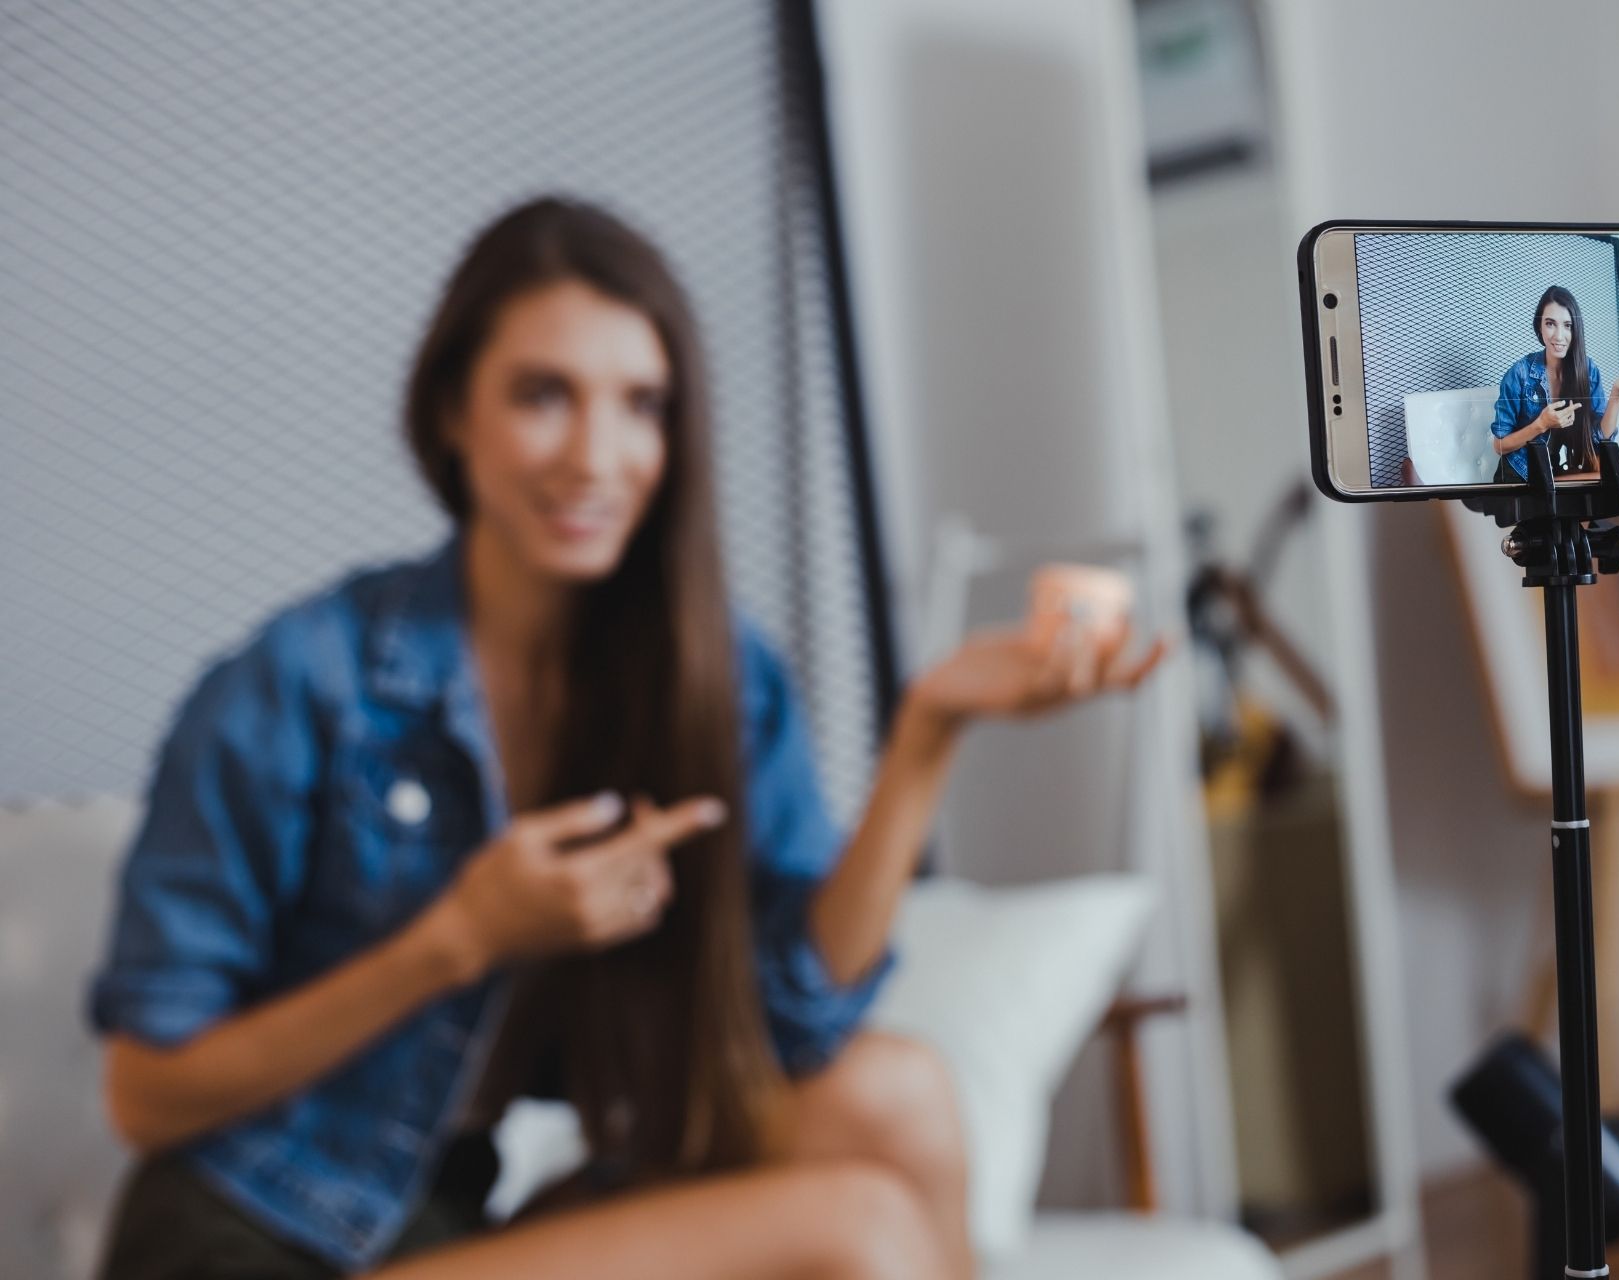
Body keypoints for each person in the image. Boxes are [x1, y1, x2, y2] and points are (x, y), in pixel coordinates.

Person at [88, 197, 1166, 1280]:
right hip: (250, 1235)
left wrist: (930, 731)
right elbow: (145, 1090)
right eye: (544, 395)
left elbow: (801, 1018)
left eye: (642, 404)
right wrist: (458, 935)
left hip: (449, 1222)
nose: (598, 457)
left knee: (901, 1097)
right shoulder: (302, 681)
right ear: (452, 410)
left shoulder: (706, 676)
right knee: (859, 1232)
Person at [1489, 285, 1619, 481]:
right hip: (1521, 475)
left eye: (1567, 325)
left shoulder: (1587, 369)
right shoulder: (1519, 374)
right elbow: (1499, 445)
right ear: (1539, 326)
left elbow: (1602, 437)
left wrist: (1617, 391)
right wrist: (1541, 424)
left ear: (1575, 329)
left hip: (1555, 472)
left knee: (1618, 461)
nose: (1559, 336)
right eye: (1550, 324)